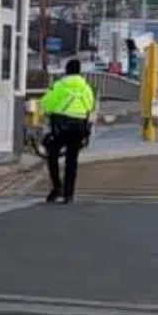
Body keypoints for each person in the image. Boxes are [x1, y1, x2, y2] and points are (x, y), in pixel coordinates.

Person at [40, 57, 95, 204]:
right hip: (78, 127)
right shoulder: (86, 88)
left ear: (66, 71)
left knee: (52, 156)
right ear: (79, 72)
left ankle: (57, 186)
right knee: (72, 160)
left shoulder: (59, 86)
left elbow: (46, 105)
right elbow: (90, 107)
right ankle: (68, 194)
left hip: (60, 127)